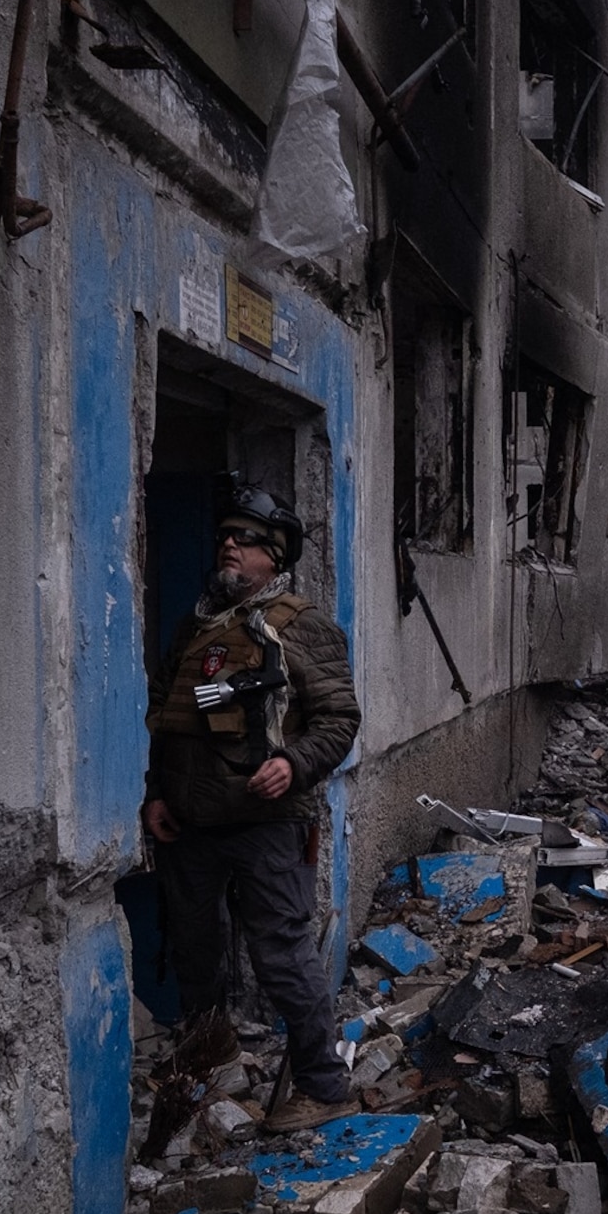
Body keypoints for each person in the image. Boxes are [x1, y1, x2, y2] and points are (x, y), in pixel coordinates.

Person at [145, 484, 362, 1134]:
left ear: (275, 556)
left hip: (269, 824)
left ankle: (324, 1086)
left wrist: (293, 763)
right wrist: (157, 793)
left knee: (283, 957)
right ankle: (210, 1071)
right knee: (195, 955)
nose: (228, 546)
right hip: (191, 825)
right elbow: (167, 720)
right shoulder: (196, 626)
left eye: (244, 539)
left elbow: (340, 719)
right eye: (225, 537)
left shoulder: (303, 625)